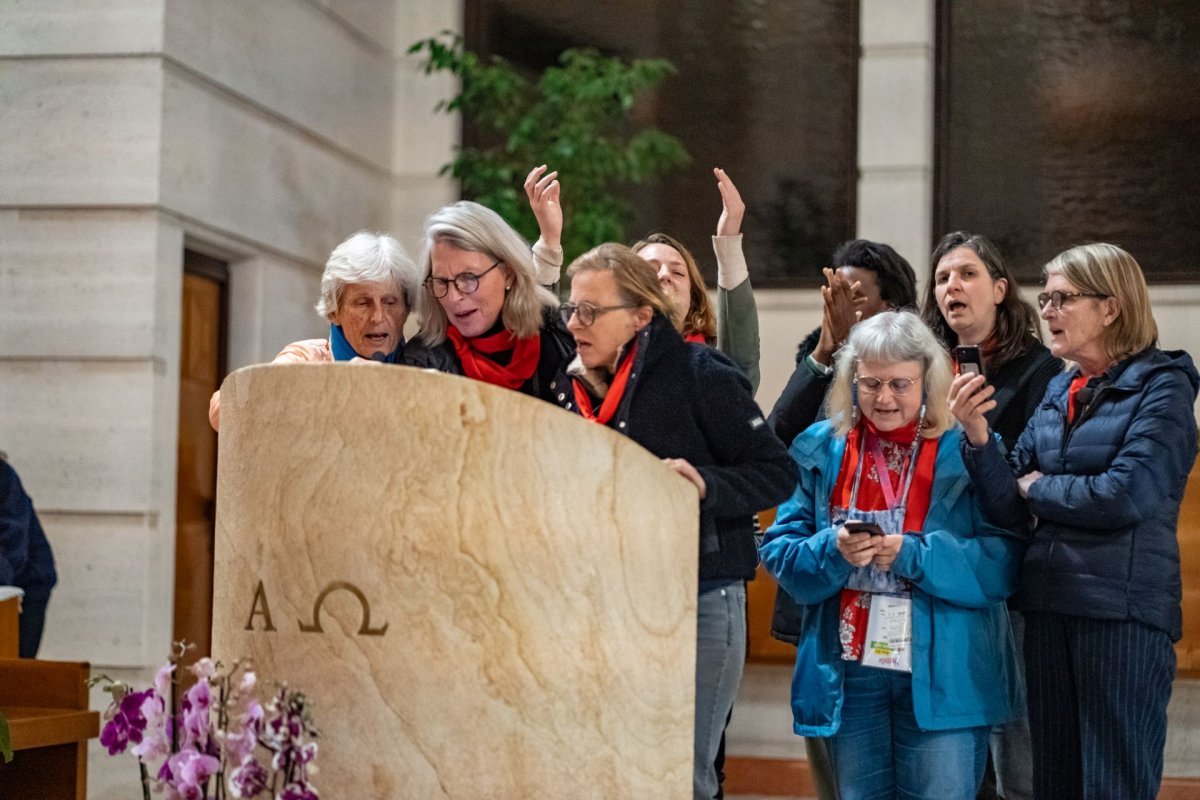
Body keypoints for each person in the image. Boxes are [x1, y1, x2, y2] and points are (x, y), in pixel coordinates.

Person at [951, 243, 1199, 800]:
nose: (1047, 311)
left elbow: (1124, 495)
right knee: (1055, 782)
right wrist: (979, 438)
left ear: (1110, 307)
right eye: (1045, 298)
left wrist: (1040, 487)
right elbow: (1008, 504)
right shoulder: (1062, 387)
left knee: (1113, 782)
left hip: (1120, 612)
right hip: (1048, 604)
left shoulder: (1164, 386)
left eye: (1062, 298)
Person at [554, 243, 795, 800]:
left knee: (681, 777)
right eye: (573, 309)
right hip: (606, 597)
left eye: (592, 311)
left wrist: (708, 485)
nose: (575, 323)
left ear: (641, 316)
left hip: (702, 597)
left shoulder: (701, 373)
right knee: (611, 768)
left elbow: (776, 473)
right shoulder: (571, 384)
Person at [760, 311, 1024, 800]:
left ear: (929, 382)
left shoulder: (965, 449)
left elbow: (1003, 559)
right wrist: (832, 548)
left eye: (900, 384)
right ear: (850, 382)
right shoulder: (820, 447)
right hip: (850, 670)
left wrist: (915, 556)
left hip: (943, 669)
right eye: (870, 383)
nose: (883, 398)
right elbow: (779, 551)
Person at [765, 239, 918, 800]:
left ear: (893, 307)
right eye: (834, 293)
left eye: (855, 296)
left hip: (916, 619)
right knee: (845, 781)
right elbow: (777, 445)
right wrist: (828, 351)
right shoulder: (820, 358)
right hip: (832, 609)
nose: (841, 307)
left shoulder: (925, 374)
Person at [921, 231, 1059, 800]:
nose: (953, 286)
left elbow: (1027, 479)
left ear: (1000, 289)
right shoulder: (922, 367)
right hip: (941, 569)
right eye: (942, 278)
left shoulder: (1041, 372)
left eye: (967, 273)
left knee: (1017, 752)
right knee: (953, 751)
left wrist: (978, 433)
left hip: (1010, 571)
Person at [208, 231, 420, 429]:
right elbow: (221, 412)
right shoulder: (307, 359)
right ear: (333, 311)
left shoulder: (424, 363)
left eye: (390, 302)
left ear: (406, 309)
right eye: (363, 303)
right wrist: (331, 384)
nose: (378, 317)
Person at [404, 201, 575, 401]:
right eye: (441, 281)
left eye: (469, 278)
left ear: (509, 274)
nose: (453, 297)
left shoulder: (562, 336)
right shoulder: (420, 361)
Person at [0, 453, 57, 658]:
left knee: (13, 674)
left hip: (28, 584)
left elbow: (10, 542)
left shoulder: (3, 476)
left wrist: (4, 592)